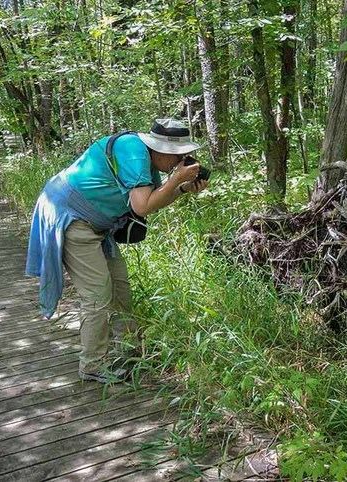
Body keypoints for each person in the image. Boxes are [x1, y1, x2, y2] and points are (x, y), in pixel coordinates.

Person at [25, 118, 209, 383]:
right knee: (97, 295)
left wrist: (180, 187)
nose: (180, 161)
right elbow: (142, 207)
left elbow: (149, 202)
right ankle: (92, 365)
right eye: (177, 156)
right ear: (160, 149)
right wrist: (175, 181)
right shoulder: (134, 154)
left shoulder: (147, 160)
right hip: (72, 218)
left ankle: (130, 352)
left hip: (98, 226)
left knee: (120, 288)